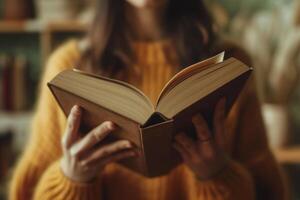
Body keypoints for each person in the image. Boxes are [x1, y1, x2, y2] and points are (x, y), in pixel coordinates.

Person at [10, 0, 287, 199]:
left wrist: (216, 174)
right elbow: (26, 192)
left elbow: (269, 191)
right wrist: (72, 178)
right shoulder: (69, 68)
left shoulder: (229, 67)